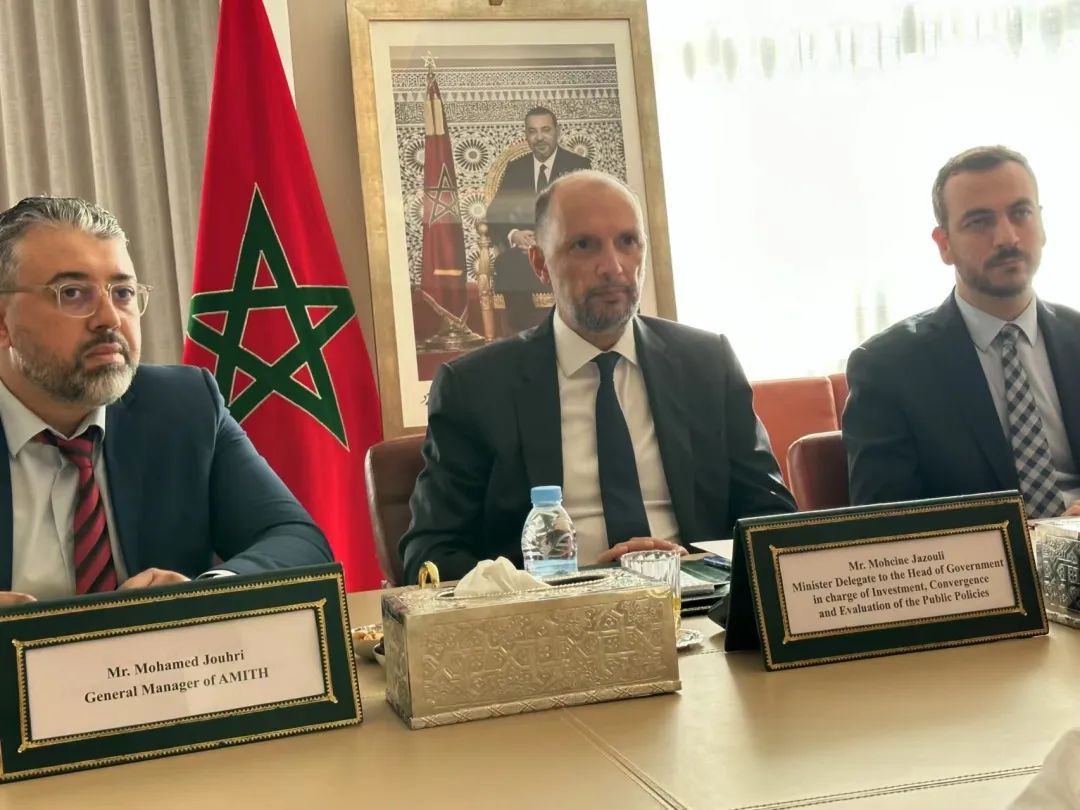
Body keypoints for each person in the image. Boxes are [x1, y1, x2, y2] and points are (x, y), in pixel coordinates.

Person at [400, 170, 796, 584]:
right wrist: (564, 585)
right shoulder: (476, 388)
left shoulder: (707, 364)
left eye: (628, 242)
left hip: (700, 605)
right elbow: (429, 555)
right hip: (552, 613)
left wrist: (700, 567)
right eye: (584, 245)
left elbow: (775, 521)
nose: (613, 267)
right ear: (540, 264)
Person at [0, 195, 331, 606]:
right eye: (72, 293)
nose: (110, 318)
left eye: (123, 292)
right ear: (4, 321)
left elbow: (297, 542)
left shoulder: (183, 406)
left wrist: (201, 592)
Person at [843, 146, 1080, 518]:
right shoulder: (887, 369)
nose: (1007, 237)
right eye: (979, 222)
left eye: (1020, 213)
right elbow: (888, 528)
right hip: (986, 554)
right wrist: (1042, 540)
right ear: (944, 245)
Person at [485, 106, 591, 331]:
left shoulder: (578, 166)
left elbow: (587, 213)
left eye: (546, 130)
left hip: (565, 250)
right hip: (526, 255)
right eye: (532, 131)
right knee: (507, 264)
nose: (539, 137)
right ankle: (526, 335)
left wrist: (555, 239)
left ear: (557, 132)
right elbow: (494, 213)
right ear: (526, 135)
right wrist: (514, 235)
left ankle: (571, 332)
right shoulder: (516, 168)